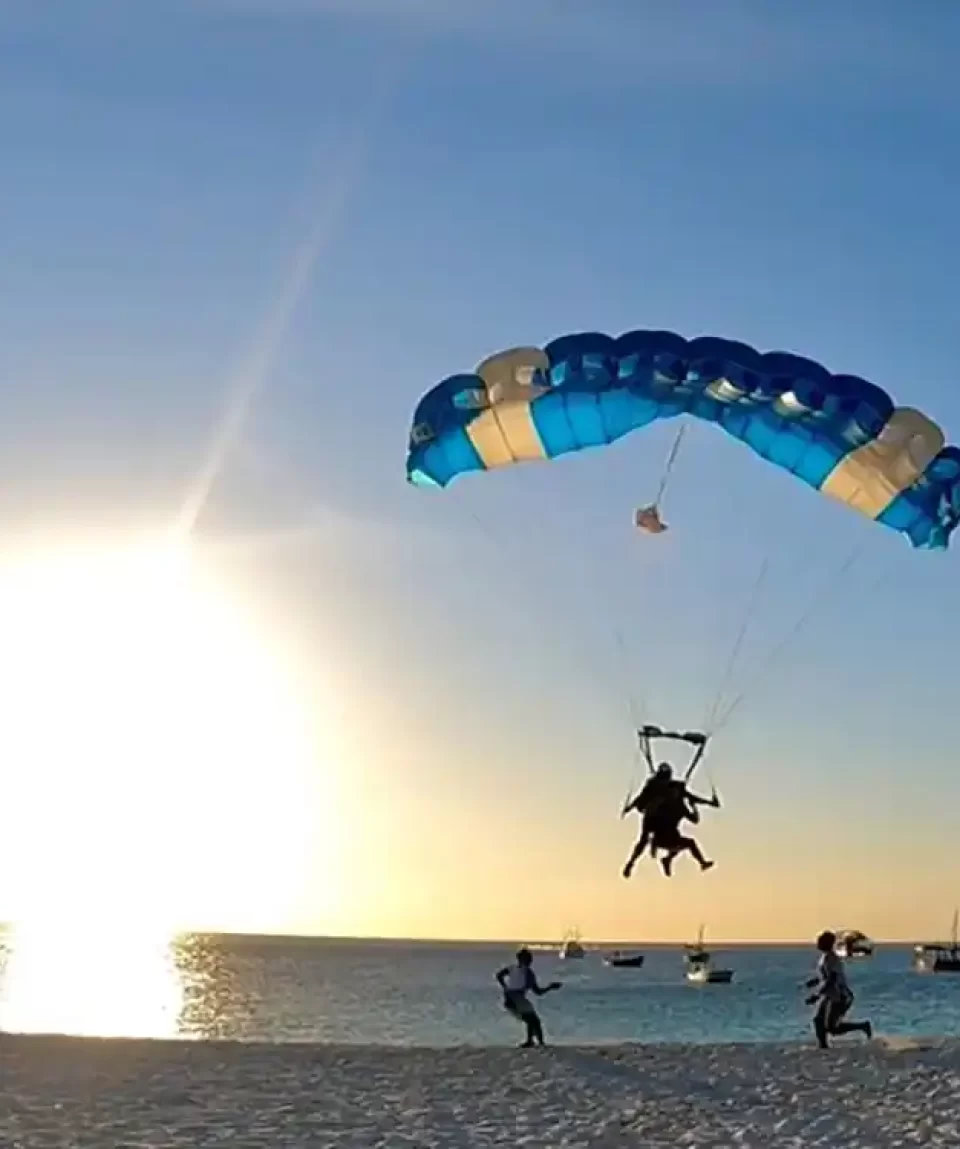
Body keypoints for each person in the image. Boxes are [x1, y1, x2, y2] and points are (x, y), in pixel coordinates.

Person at [805, 931, 873, 1049]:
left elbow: (832, 978)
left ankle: (863, 1026)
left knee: (832, 1028)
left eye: (821, 941)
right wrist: (815, 981)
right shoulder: (825, 958)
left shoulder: (831, 958)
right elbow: (825, 976)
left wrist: (817, 995)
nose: (818, 943)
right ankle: (823, 1045)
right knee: (818, 1021)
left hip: (840, 996)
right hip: (830, 995)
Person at [495, 948, 562, 1047]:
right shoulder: (528, 973)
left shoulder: (512, 968)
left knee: (530, 1019)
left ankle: (531, 1041)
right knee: (534, 1020)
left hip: (509, 999)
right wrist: (550, 987)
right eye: (529, 959)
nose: (530, 961)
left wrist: (505, 987)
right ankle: (539, 1043)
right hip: (516, 998)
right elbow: (538, 992)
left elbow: (499, 975)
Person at [651, 778, 718, 877]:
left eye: (676, 792)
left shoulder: (680, 806)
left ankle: (668, 859)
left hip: (672, 837)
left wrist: (694, 807)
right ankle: (700, 862)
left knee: (686, 843)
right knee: (687, 843)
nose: (674, 794)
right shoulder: (662, 804)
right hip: (660, 838)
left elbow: (695, 819)